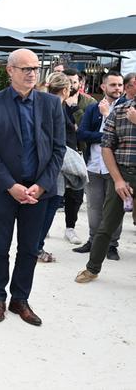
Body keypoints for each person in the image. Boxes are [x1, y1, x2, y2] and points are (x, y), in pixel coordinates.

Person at [0, 49, 65, 326]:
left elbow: (58, 150)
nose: (31, 73)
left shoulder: (51, 104)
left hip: (38, 191)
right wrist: (10, 186)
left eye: (35, 68)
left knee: (29, 247)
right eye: (25, 68)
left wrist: (41, 185)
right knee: (0, 245)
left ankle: (20, 299)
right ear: (10, 70)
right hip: (4, 190)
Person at [75, 70, 136, 284]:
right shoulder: (119, 111)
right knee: (106, 222)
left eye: (122, 84)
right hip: (121, 173)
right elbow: (106, 146)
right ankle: (92, 268)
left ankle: (108, 252)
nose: (120, 89)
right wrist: (118, 179)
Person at [35, 72, 76, 263]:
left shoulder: (44, 104)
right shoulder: (57, 107)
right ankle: (37, 247)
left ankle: (36, 245)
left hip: (47, 164)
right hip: (55, 166)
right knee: (49, 207)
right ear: (66, 90)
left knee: (46, 206)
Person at [60, 68, 96, 245]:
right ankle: (43, 228)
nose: (71, 85)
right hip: (57, 154)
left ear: (79, 83)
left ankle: (70, 228)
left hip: (78, 154)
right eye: (67, 81)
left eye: (74, 82)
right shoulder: (54, 100)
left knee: (75, 194)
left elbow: (88, 131)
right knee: (53, 194)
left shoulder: (89, 103)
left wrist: (75, 109)